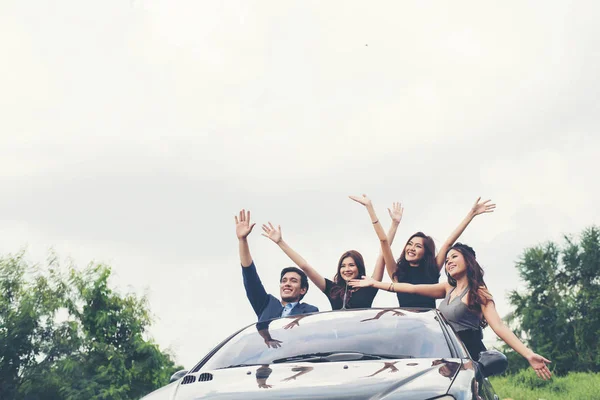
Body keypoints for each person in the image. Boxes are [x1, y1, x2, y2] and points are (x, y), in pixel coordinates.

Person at [350, 243, 552, 380]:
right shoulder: (448, 288)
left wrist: (528, 354)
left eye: (454, 257)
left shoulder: (478, 292)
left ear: (468, 260)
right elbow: (411, 287)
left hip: (471, 356)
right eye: (447, 260)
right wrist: (375, 283)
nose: (449, 262)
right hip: (446, 355)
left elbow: (498, 326)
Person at [261, 200, 403, 310]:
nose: (346, 269)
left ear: (359, 268)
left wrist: (394, 224)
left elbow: (382, 254)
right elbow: (305, 266)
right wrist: (280, 242)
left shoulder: (369, 285)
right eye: (343, 265)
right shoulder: (332, 289)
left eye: (351, 265)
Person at [382, 197, 496, 308]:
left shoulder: (432, 269)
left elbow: (448, 243)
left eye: (418, 246)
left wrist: (471, 214)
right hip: (404, 323)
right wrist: (394, 224)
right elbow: (385, 245)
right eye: (410, 244)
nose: (411, 248)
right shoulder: (397, 272)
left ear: (425, 253)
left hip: (429, 323)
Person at [236, 209, 318, 322]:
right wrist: (242, 240)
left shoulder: (309, 310)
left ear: (303, 290)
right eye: (284, 281)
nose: (287, 284)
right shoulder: (266, 304)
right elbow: (250, 278)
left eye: (293, 281)